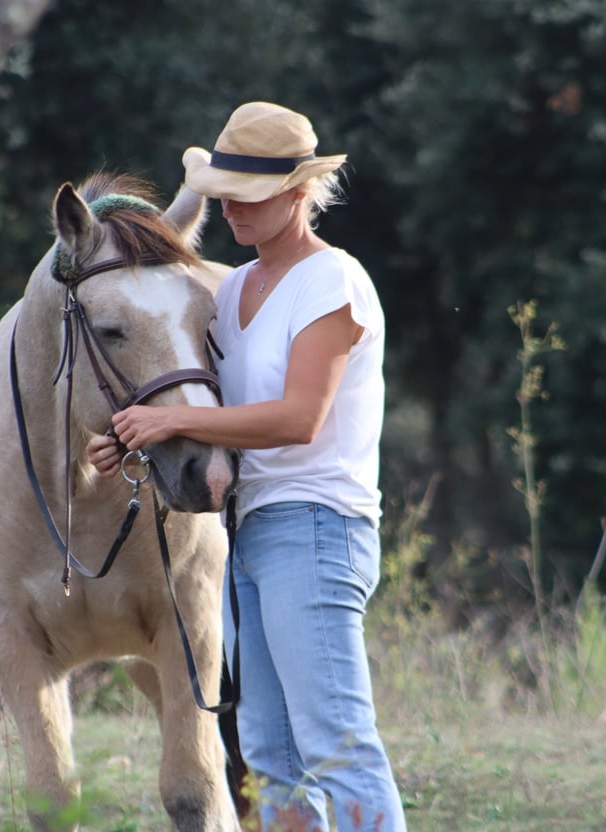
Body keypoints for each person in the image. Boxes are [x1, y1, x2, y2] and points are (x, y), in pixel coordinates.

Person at [87, 101, 407, 832]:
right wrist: (137, 435)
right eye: (224, 190)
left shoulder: (333, 283)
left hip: (319, 526)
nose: (230, 207)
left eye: (249, 194)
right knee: (269, 753)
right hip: (250, 530)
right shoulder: (229, 292)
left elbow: (299, 419)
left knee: (337, 746)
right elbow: (212, 409)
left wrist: (172, 418)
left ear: (300, 194)